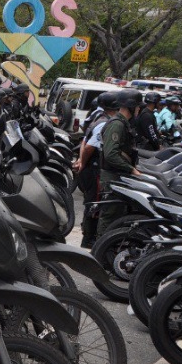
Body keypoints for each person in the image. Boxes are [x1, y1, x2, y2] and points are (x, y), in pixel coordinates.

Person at [73, 91, 119, 248]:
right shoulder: (104, 122)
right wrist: (83, 163)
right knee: (94, 203)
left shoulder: (98, 117)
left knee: (92, 202)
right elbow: (90, 146)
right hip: (93, 168)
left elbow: (84, 141)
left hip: (90, 166)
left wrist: (81, 160)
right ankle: (88, 239)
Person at [98, 89, 143, 237]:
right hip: (112, 176)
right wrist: (130, 169)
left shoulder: (124, 123)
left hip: (117, 175)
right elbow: (110, 154)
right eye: (137, 106)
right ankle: (100, 251)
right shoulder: (117, 124)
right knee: (109, 216)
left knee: (116, 214)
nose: (138, 109)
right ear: (130, 106)